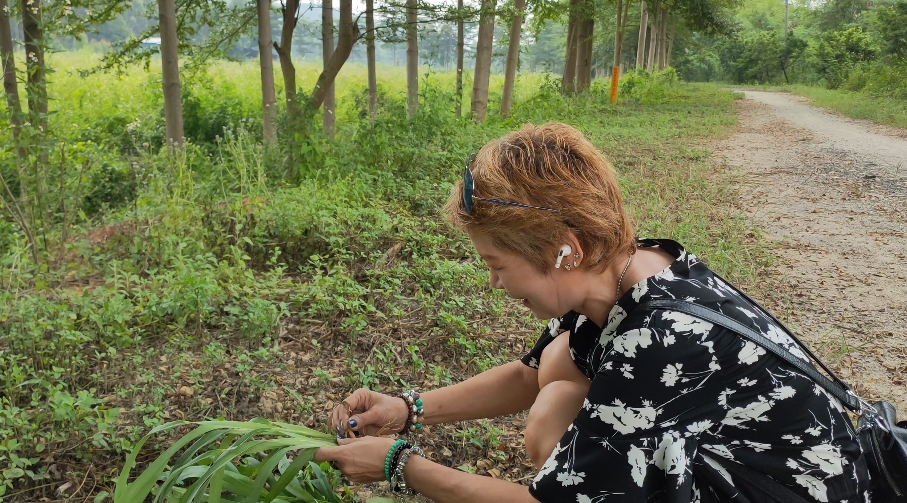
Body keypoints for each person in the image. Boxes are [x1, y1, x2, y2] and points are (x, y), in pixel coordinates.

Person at [313, 123, 870, 502]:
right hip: (745, 463)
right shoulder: (631, 266)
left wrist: (400, 466)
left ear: (566, 249)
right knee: (557, 374)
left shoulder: (659, 339)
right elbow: (528, 375)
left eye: (498, 264)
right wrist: (406, 409)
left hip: (796, 489)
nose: (495, 284)